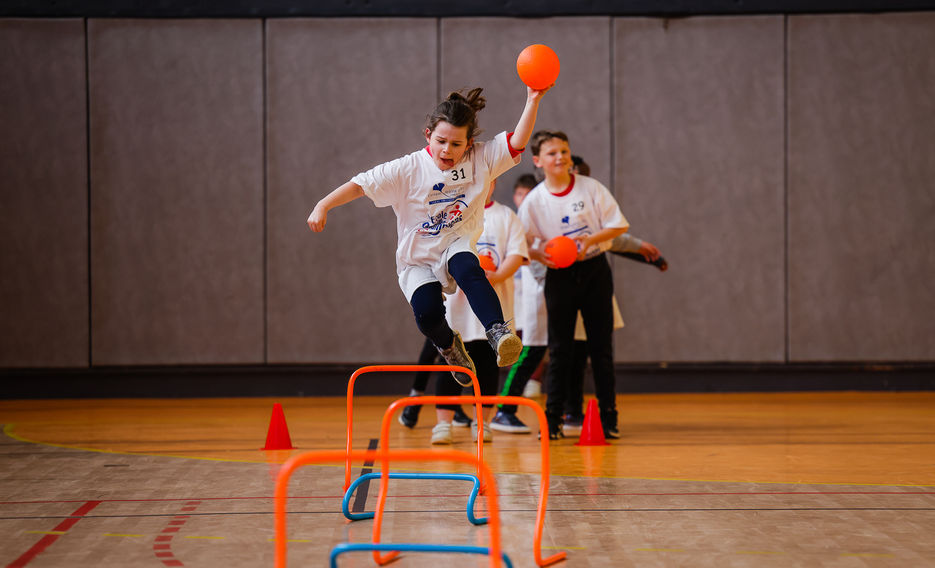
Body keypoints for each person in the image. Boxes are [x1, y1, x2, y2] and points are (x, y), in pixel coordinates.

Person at [308, 85, 550, 389]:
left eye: (456, 144)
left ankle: (498, 331)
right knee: (427, 314)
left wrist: (532, 99)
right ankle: (450, 348)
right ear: (428, 135)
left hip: (456, 241)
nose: (447, 150)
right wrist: (322, 205)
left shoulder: (480, 157)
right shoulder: (407, 168)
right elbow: (359, 185)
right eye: (441, 141)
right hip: (418, 257)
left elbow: (517, 143)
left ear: (469, 143)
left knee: (468, 269)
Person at [517, 130, 629, 440]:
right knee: (559, 349)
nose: (560, 157)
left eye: (564, 151)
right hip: (560, 276)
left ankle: (609, 417)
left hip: (594, 271)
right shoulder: (534, 201)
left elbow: (619, 225)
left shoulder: (591, 188)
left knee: (601, 348)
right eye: (552, 153)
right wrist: (540, 252)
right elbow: (520, 242)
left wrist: (590, 240)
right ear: (538, 161)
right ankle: (552, 420)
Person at [431, 179, 528, 444]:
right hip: (457, 308)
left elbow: (516, 254)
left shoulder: (506, 216)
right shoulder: (449, 212)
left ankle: (481, 422)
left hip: (493, 304)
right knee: (451, 361)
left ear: (494, 181)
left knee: (487, 366)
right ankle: (443, 424)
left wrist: (497, 276)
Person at [490, 174, 548, 434]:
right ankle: (505, 408)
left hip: (547, 293)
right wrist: (535, 254)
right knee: (530, 348)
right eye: (521, 194)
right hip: (525, 294)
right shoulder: (513, 220)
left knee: (545, 348)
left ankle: (567, 410)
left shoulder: (543, 217)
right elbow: (519, 253)